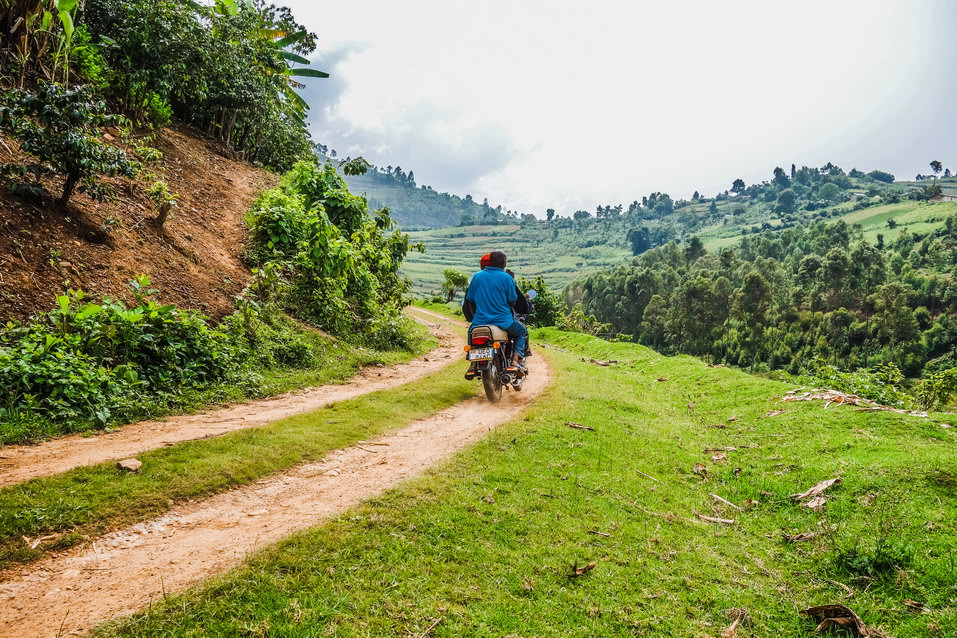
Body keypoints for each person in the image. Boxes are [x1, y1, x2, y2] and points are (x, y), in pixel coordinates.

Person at [464, 250, 528, 372]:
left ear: (490, 262)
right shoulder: (506, 278)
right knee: (522, 332)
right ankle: (515, 361)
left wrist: (476, 317)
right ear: (504, 262)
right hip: (503, 321)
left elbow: (470, 300)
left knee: (471, 332)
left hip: (480, 321)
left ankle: (472, 362)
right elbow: (512, 300)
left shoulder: (477, 276)